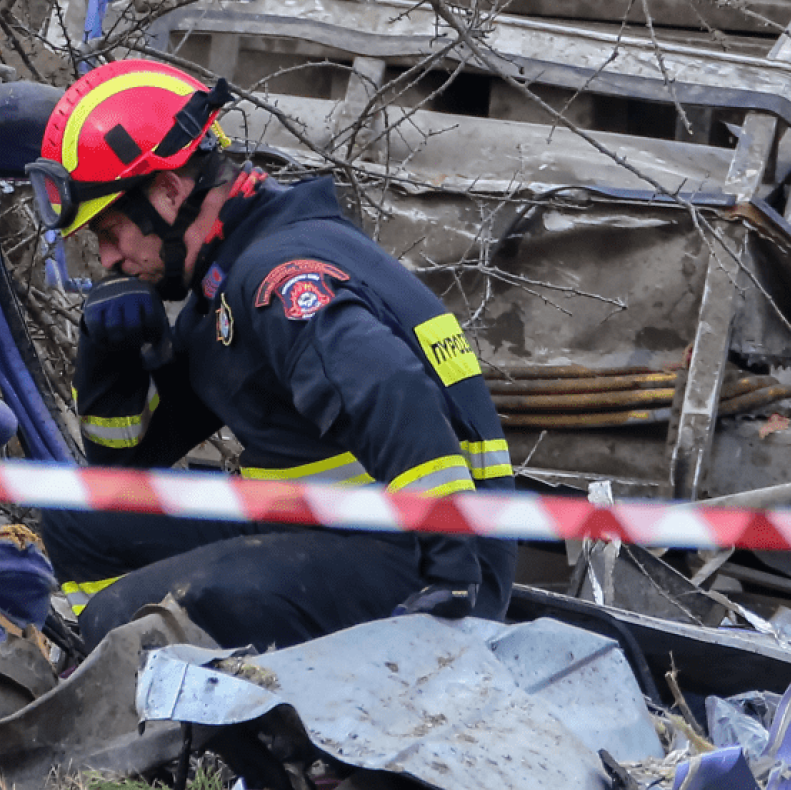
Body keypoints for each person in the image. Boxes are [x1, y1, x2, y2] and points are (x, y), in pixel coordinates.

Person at [27, 58, 518, 652]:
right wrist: (110, 353)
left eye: (110, 233)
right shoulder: (228, 280)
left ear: (168, 191)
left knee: (124, 616)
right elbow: (124, 466)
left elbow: (393, 387)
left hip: (422, 557)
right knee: (78, 520)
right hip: (328, 531)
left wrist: (451, 572)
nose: (108, 259)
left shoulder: (277, 277)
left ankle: (174, 689)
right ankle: (124, 678)